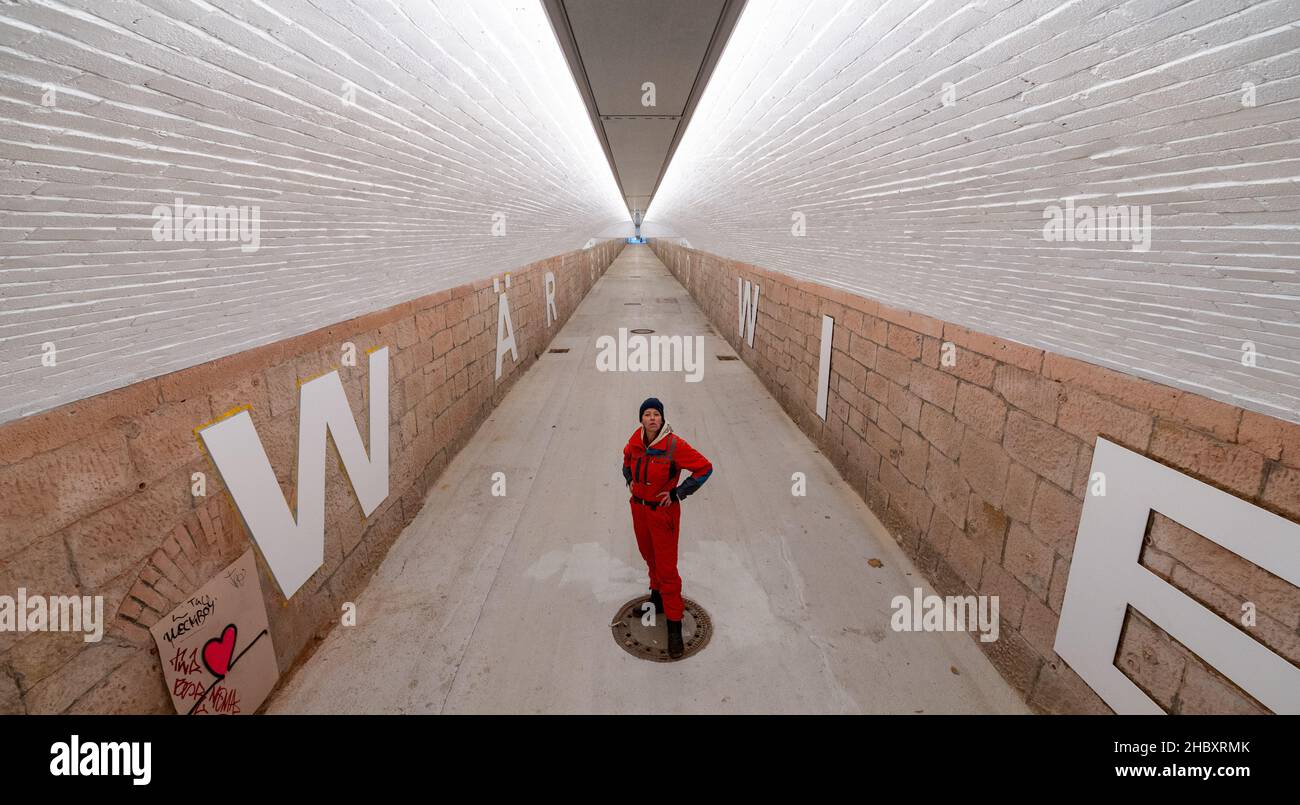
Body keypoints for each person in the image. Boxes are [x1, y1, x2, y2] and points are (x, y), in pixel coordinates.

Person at [621, 397, 713, 659]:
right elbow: (626, 458)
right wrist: (628, 478)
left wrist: (678, 493)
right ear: (641, 419)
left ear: (662, 419)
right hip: (639, 509)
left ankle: (674, 624)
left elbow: (704, 469)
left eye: (656, 414)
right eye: (647, 414)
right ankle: (657, 599)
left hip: (662, 514)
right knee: (649, 556)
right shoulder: (636, 441)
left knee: (667, 567)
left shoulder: (674, 445)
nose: (652, 418)